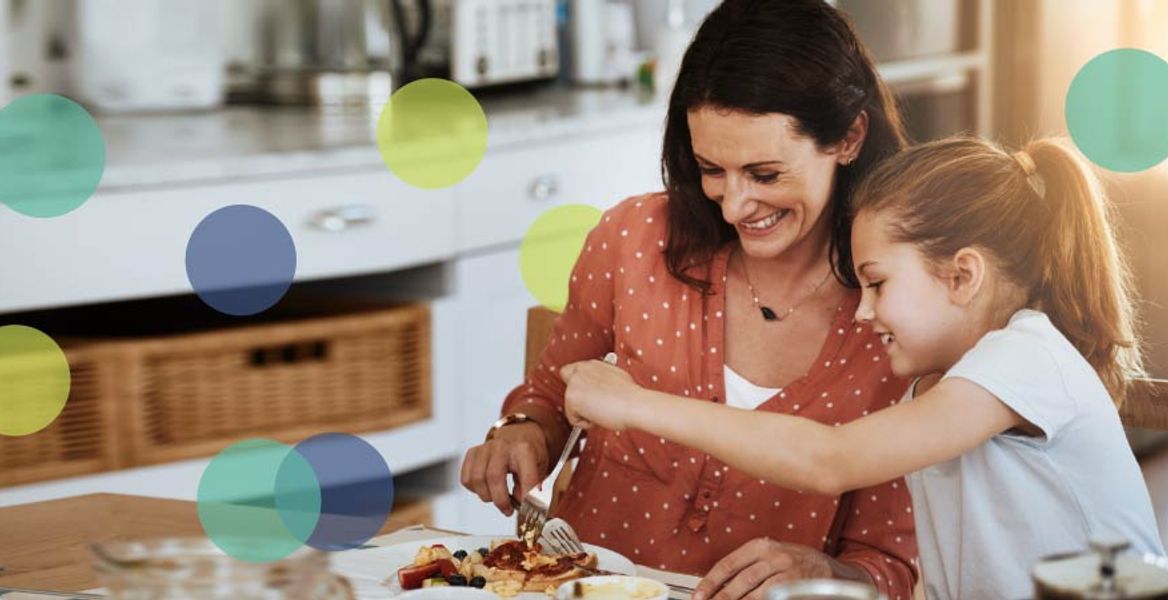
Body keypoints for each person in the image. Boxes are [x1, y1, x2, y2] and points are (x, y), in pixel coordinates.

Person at [562, 136, 1165, 599]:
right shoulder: (943, 386)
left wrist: (635, 404)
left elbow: (830, 458)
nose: (864, 311)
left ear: (963, 275)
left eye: (877, 283)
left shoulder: (1023, 358)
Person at [461, 1, 919, 597]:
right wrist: (520, 432)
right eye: (711, 169)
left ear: (850, 137)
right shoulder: (633, 240)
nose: (732, 206)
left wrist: (827, 572)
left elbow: (891, 564)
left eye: (765, 174)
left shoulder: (904, 310)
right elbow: (549, 397)